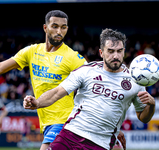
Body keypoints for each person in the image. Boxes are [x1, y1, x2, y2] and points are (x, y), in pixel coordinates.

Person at [0, 10, 125, 149]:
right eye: (54, 26)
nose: (59, 31)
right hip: (47, 122)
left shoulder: (72, 57)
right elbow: (0, 67)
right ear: (45, 28)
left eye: (63, 27)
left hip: (66, 121)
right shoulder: (32, 52)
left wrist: (109, 123)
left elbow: (97, 83)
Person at [23, 28, 155, 150]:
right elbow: (57, 92)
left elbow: (143, 117)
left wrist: (151, 105)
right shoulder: (86, 72)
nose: (115, 56)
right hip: (70, 134)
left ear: (123, 52)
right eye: (110, 51)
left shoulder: (135, 81)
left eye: (119, 51)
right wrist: (38, 103)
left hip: (100, 143)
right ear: (101, 53)